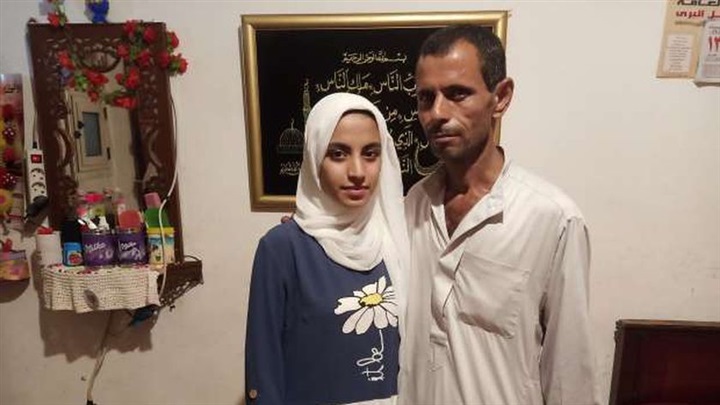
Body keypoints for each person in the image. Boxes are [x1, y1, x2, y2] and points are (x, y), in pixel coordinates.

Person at [399, 25, 600, 404]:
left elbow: (568, 373)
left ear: (501, 97)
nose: (437, 113)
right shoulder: (413, 206)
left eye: (457, 94)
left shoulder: (551, 219)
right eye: (426, 98)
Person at [245, 92, 410, 404]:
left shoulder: (399, 239)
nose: (357, 171)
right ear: (314, 158)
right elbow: (264, 366)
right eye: (338, 154)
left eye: (370, 154)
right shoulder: (282, 249)